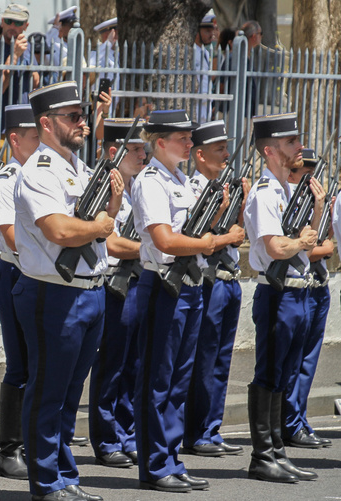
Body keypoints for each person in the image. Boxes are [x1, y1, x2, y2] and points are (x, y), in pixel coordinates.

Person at [11, 81, 118, 501]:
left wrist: (109, 209)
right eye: (73, 117)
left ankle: (65, 476)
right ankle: (45, 481)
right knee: (48, 391)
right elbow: (57, 229)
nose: (82, 123)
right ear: (46, 123)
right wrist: (100, 225)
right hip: (52, 293)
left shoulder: (79, 168)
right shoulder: (39, 171)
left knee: (71, 394)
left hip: (88, 290)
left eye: (82, 115)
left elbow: (102, 224)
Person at [131, 110, 218, 493]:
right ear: (160, 142)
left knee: (179, 380)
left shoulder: (181, 179)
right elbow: (165, 240)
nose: (189, 143)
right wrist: (207, 243)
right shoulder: (152, 181)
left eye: (190, 137)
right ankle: (154, 465)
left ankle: (170, 458)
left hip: (190, 286)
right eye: (182, 138)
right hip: (164, 285)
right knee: (158, 380)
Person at [243, 112, 322, 484]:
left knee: (285, 375)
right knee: (270, 373)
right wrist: (302, 243)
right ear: (270, 150)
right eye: (291, 143)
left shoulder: (287, 191)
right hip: (276, 294)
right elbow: (275, 247)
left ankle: (278, 450)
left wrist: (317, 211)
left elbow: (307, 240)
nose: (299, 148)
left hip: (297, 292)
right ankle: (262, 456)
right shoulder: (263, 194)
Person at [181, 120, 247, 458]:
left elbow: (242, 232)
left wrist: (242, 201)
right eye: (220, 149)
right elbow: (199, 235)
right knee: (202, 360)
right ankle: (195, 432)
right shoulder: (193, 188)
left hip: (230, 278)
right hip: (207, 280)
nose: (226, 155)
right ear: (200, 154)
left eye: (226, 148)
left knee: (221, 360)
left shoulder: (228, 186)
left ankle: (211, 427)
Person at [88, 118, 146, 470]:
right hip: (112, 286)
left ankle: (127, 433)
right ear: (115, 151)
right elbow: (109, 242)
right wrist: (151, 247)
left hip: (136, 282)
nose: (143, 154)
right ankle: (107, 438)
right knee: (111, 365)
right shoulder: (101, 187)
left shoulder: (139, 186)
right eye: (136, 149)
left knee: (134, 366)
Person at [0, 103, 38, 480]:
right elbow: (10, 235)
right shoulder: (8, 178)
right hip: (16, 273)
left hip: (42, 274)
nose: (40, 143)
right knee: (20, 364)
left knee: (43, 365)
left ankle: (38, 442)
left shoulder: (45, 174)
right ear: (14, 139)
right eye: (34, 137)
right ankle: (10, 450)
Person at [285, 147, 334, 450]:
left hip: (318, 283)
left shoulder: (318, 201)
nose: (309, 176)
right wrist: (319, 248)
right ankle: (288, 422)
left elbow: (328, 241)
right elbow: (304, 248)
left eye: (312, 170)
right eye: (303, 170)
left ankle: (298, 418)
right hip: (295, 284)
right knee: (291, 360)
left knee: (308, 361)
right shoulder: (286, 199)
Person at [0, 4, 39, 136]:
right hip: (0, 127)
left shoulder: (27, 47)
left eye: (18, 22)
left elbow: (35, 83)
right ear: (2, 22)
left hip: (25, 125)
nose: (12, 26)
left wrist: (26, 60)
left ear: (26, 26)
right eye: (9, 21)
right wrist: (14, 56)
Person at [193, 13, 216, 122]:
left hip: (206, 103)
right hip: (195, 102)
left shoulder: (205, 52)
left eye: (212, 31)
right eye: (207, 31)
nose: (212, 34)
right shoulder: (191, 51)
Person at [89, 18, 119, 96]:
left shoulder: (117, 55)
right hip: (100, 100)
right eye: (116, 34)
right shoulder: (96, 53)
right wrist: (108, 43)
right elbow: (91, 66)